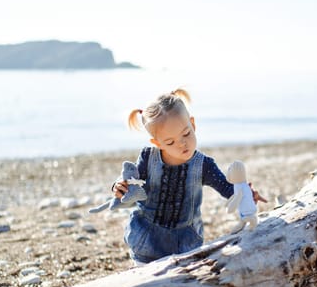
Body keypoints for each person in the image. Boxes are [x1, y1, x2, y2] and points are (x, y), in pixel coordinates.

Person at [113, 88, 266, 265]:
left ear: (193, 124)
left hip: (185, 241)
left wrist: (245, 193)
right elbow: (132, 183)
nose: (182, 144)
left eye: (186, 133)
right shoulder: (148, 159)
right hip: (147, 238)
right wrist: (118, 187)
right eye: (170, 142)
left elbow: (227, 188)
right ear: (157, 143)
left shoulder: (204, 165)